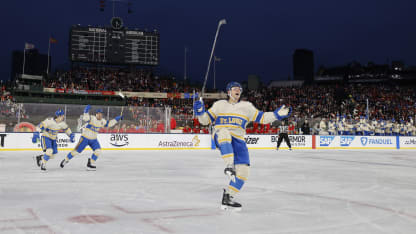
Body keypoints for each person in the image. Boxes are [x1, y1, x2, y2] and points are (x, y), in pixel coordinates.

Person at [193, 81, 291, 211]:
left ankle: (228, 197)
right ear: (228, 92)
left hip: (238, 139)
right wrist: (200, 112)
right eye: (234, 88)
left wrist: (276, 115)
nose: (237, 90)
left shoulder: (247, 106)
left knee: (244, 172)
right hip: (221, 135)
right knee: (224, 132)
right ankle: (229, 166)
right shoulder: (219, 105)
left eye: (239, 89)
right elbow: (205, 121)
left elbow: (261, 117)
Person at [60, 105, 122, 170]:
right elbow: (85, 118)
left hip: (94, 140)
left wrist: (117, 119)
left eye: (101, 114)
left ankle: (90, 163)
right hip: (85, 138)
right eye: (99, 114)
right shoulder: (92, 118)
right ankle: (66, 160)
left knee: (98, 151)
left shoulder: (102, 121)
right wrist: (86, 111)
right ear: (96, 114)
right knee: (76, 151)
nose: (100, 115)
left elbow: (109, 124)